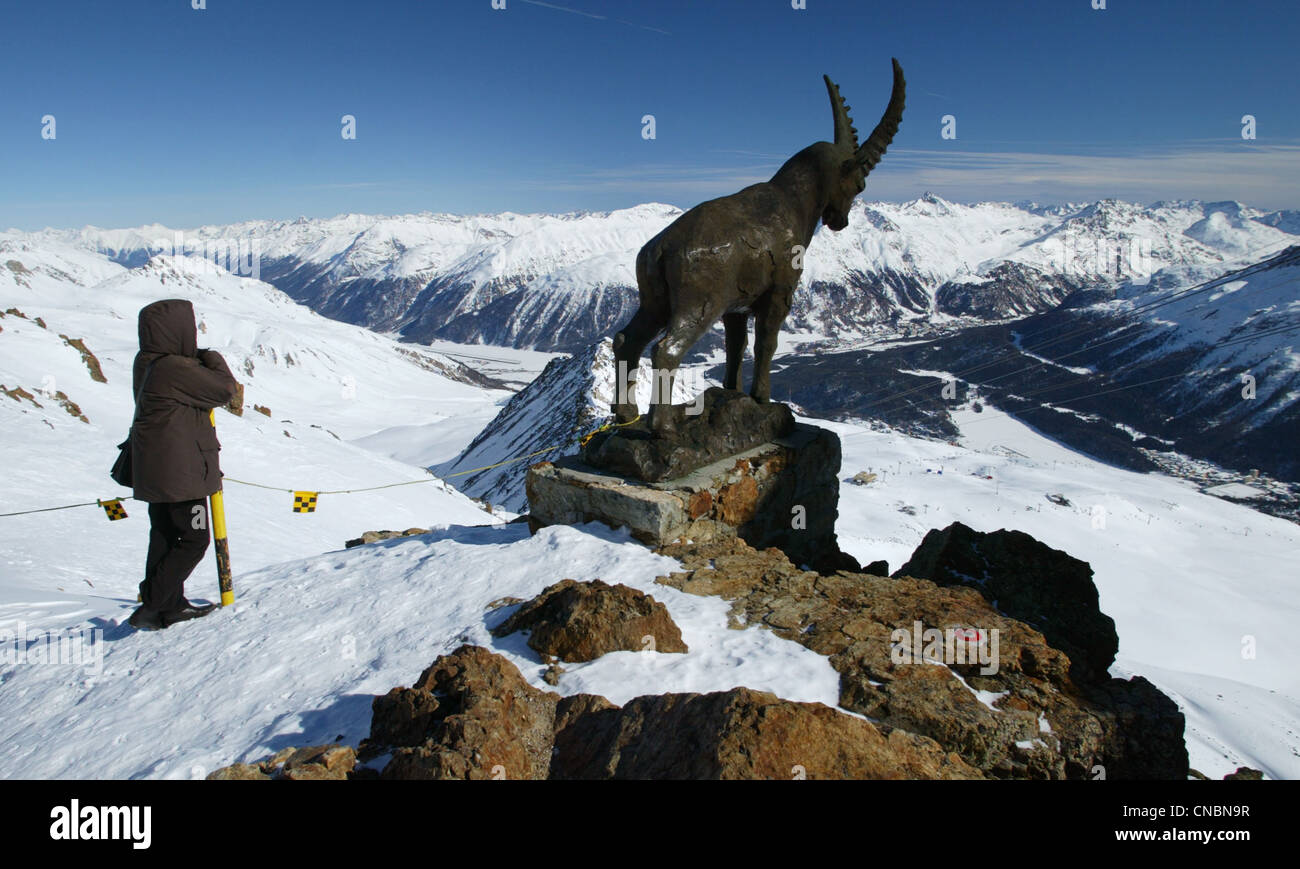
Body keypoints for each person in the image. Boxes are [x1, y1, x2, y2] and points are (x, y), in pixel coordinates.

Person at [126, 299, 238, 630]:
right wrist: (211, 356)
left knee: (163, 534)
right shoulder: (173, 368)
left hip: (155, 470)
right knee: (194, 538)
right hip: (180, 473)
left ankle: (168, 604)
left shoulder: (145, 362)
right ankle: (154, 605)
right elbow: (224, 389)